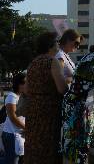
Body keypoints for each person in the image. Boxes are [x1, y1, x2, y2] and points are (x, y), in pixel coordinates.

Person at [24, 31, 67, 164]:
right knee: (48, 147)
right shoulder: (53, 62)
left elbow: (27, 89)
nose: (58, 44)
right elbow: (62, 89)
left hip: (33, 109)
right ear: (50, 45)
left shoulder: (33, 63)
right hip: (48, 111)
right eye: (56, 42)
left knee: (33, 145)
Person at [1, 73, 26, 164]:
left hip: (19, 135)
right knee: (11, 161)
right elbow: (13, 117)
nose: (27, 85)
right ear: (19, 85)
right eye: (25, 83)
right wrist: (27, 128)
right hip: (11, 135)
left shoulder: (22, 97)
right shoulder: (12, 97)